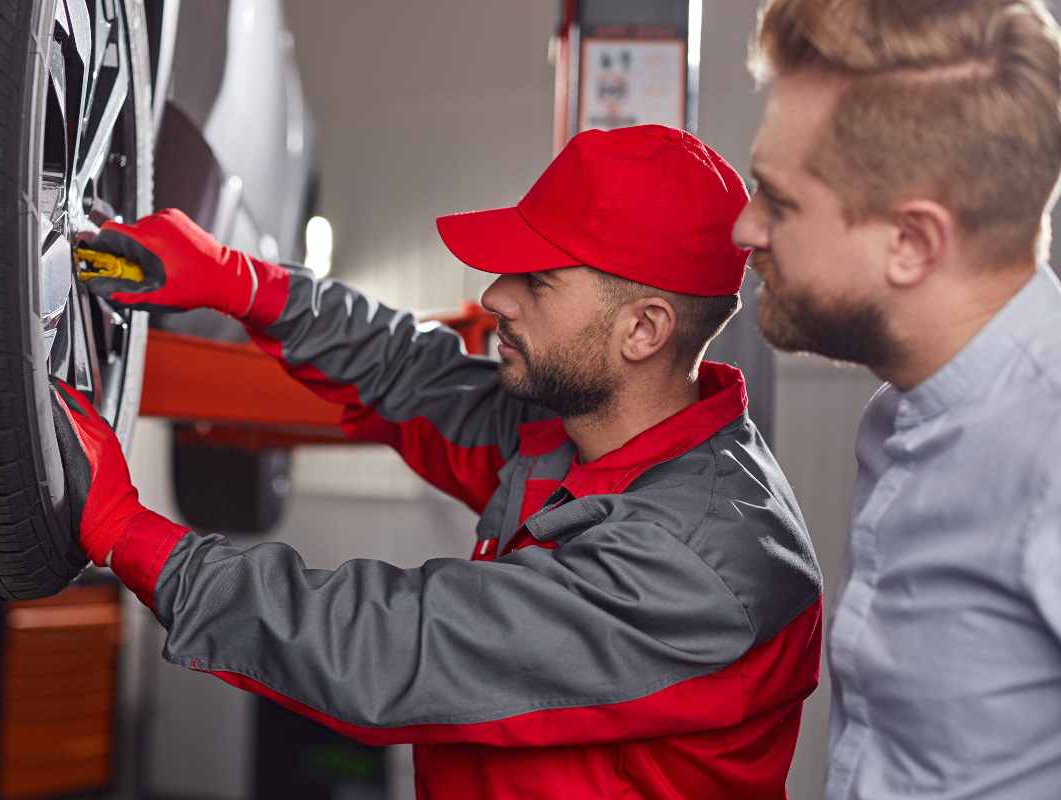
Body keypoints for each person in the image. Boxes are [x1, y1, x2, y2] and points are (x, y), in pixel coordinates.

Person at [55, 124, 822, 799]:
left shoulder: (700, 564)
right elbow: (414, 376)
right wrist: (242, 281)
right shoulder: (579, 430)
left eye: (537, 280)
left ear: (643, 329)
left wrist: (129, 531)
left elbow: (389, 653)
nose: (495, 296)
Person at [732, 2, 1061, 798]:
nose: (745, 228)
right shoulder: (898, 414)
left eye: (777, 201)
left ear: (912, 242)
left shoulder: (1047, 453)